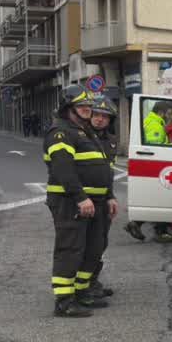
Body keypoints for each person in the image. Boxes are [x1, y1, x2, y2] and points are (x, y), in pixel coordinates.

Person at [44, 87, 109, 317]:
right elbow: (63, 169)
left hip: (95, 202)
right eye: (82, 106)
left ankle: (81, 292)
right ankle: (64, 301)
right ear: (68, 108)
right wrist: (80, 198)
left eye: (89, 106)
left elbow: (100, 166)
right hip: (70, 202)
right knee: (70, 249)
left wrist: (108, 196)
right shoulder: (60, 132)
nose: (87, 109)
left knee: (92, 248)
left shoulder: (83, 131)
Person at [72, 94, 121, 306]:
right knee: (83, 244)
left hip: (103, 199)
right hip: (84, 200)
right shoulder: (82, 137)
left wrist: (111, 196)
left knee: (100, 242)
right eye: (96, 115)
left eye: (105, 116)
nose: (100, 119)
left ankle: (91, 280)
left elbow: (107, 173)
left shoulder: (111, 141)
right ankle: (80, 287)